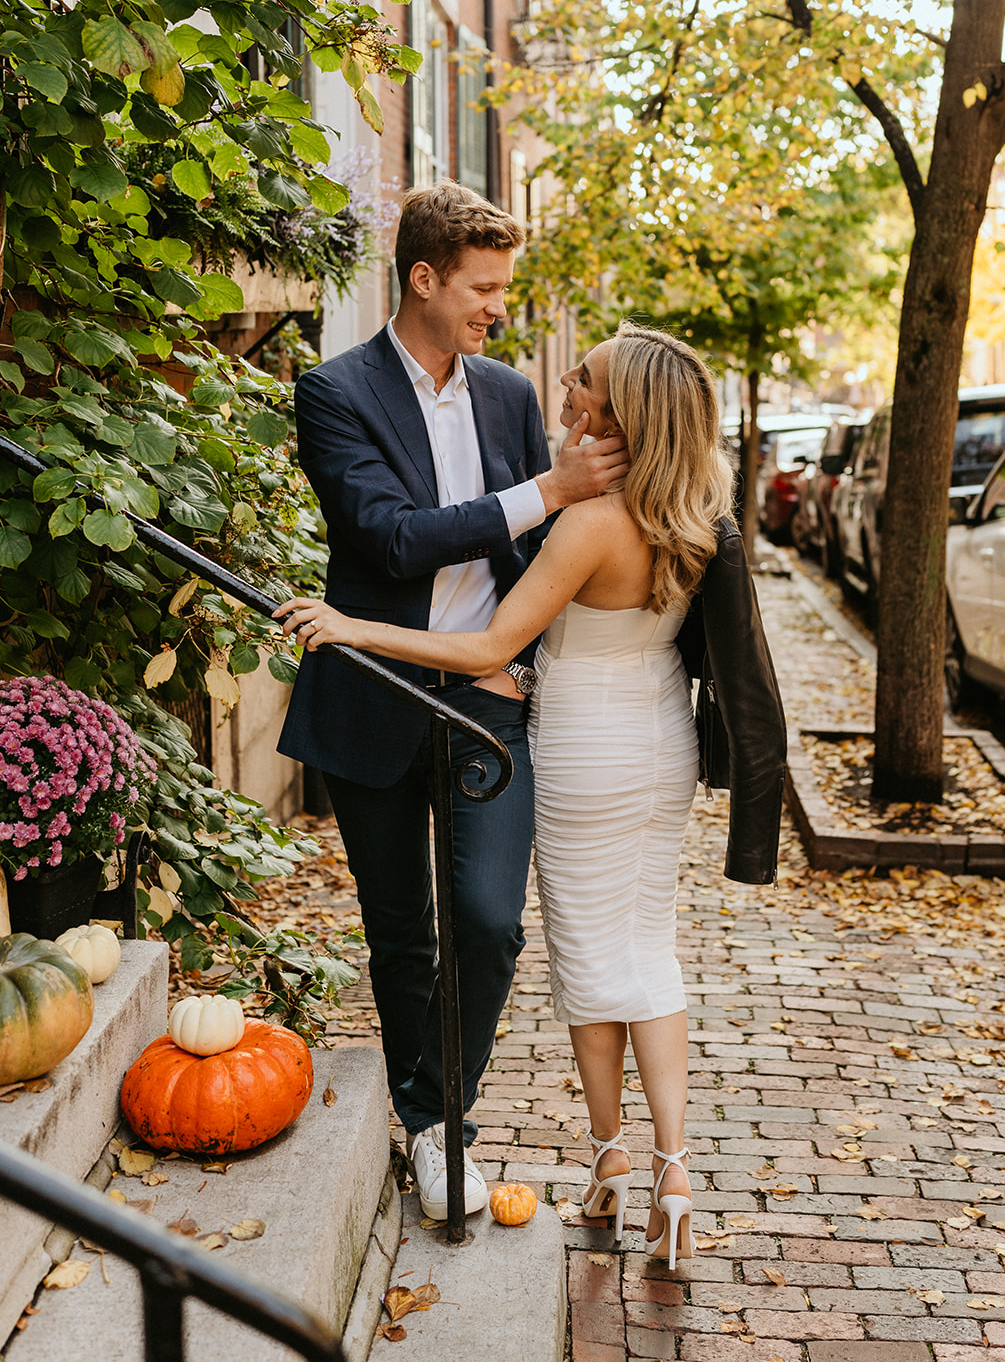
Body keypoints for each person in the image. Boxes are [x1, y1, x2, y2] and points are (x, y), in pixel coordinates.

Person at [277, 324, 786, 1268]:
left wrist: (353, 628)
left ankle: (611, 1162)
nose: (565, 383)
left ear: (622, 412)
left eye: (585, 378)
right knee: (647, 944)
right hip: (660, 741)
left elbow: (482, 647)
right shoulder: (695, 513)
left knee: (587, 962)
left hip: (585, 745)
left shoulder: (592, 521)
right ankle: (668, 1174)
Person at [275, 181, 628, 1223]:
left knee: (488, 923)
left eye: (503, 290)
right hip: (375, 695)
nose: (497, 307)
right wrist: (546, 492)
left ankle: (443, 1108)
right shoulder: (333, 392)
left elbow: (541, 550)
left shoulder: (511, 397)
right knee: (402, 933)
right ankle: (432, 1131)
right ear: (423, 279)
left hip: (487, 700)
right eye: (483, 288)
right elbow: (387, 537)